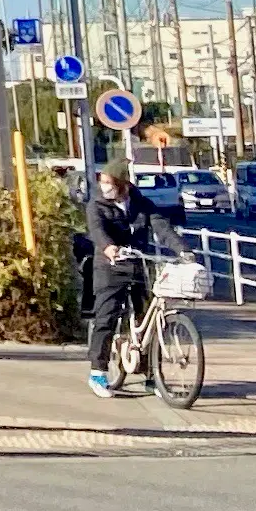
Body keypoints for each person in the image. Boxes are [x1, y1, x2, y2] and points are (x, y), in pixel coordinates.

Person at [83, 166, 153, 396]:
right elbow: (97, 230)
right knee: (106, 317)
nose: (105, 188)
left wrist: (183, 251)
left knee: (146, 319)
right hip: (109, 268)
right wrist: (108, 247)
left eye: (109, 183)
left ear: (123, 185)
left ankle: (151, 374)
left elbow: (162, 225)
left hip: (137, 265)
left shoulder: (140, 203)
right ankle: (98, 373)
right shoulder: (97, 205)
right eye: (102, 182)